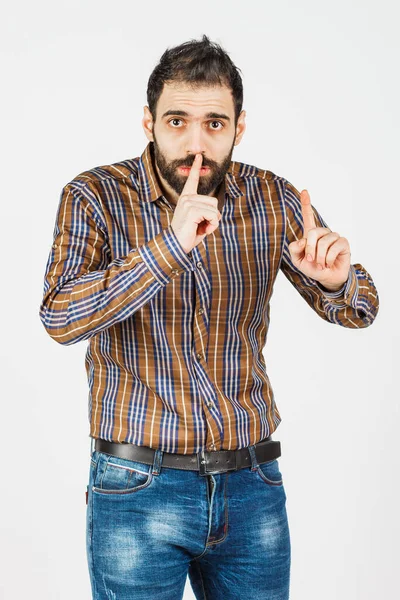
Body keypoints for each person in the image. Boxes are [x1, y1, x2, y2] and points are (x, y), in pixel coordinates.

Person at [38, 34, 379, 600]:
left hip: (252, 486)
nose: (195, 144)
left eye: (215, 124)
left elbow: (360, 308)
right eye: (177, 121)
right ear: (148, 121)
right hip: (137, 486)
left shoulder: (272, 199)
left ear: (239, 127)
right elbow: (59, 316)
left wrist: (337, 279)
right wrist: (169, 246)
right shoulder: (95, 196)